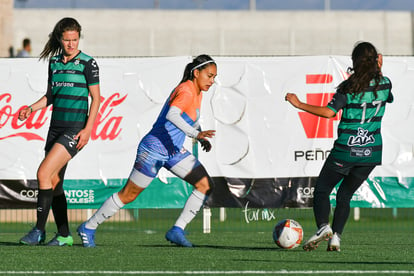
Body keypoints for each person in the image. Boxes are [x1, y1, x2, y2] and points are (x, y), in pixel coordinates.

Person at [77, 54, 217, 248]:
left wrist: (200, 134)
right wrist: (195, 134)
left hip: (173, 150)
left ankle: (177, 230)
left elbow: (189, 116)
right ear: (196, 73)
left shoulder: (197, 91)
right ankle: (88, 227)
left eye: (214, 77)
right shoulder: (186, 89)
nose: (212, 81)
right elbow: (172, 115)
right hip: (154, 149)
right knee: (128, 195)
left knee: (204, 185)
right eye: (209, 76)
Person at [285, 41, 393, 252]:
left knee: (323, 190)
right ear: (376, 61)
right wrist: (379, 68)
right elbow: (385, 93)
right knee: (345, 195)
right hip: (371, 153)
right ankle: (336, 238)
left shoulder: (348, 87)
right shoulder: (386, 84)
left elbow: (328, 112)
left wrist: (299, 104)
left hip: (346, 150)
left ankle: (324, 227)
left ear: (354, 62)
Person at [18, 17, 101, 246]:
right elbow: (51, 96)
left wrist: (88, 129)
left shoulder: (87, 63)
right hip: (55, 128)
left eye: (74, 39)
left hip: (74, 130)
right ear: (60, 39)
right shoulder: (54, 62)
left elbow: (96, 98)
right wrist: (30, 109)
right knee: (54, 182)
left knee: (43, 173)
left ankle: (38, 230)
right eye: (67, 40)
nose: (71, 44)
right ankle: (64, 234)